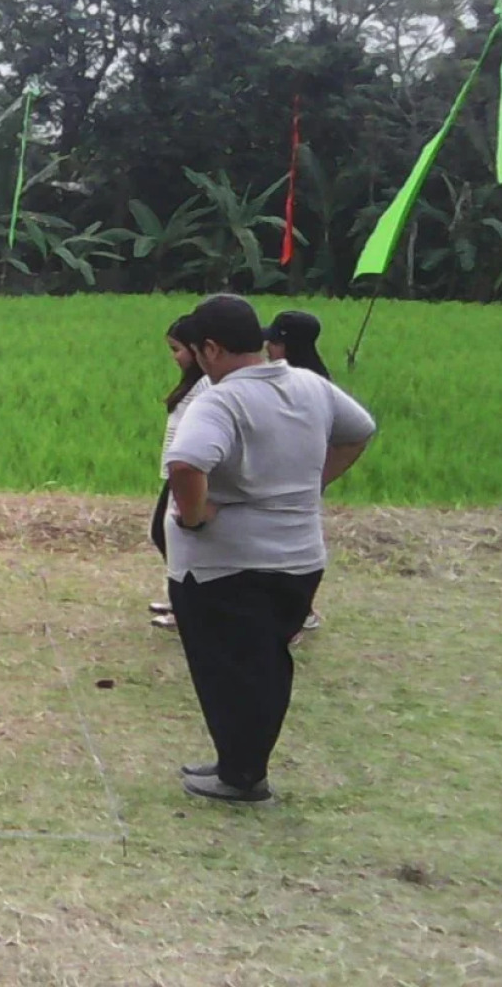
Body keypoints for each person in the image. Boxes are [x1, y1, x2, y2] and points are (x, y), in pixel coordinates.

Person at [164, 295, 375, 803]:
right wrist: (314, 483)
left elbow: (186, 464)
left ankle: (242, 777)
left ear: (211, 348)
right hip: (299, 560)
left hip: (228, 568)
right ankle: (239, 762)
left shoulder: (220, 400)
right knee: (264, 666)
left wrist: (194, 517)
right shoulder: (308, 384)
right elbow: (359, 431)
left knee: (231, 673)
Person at [264, 309, 333, 639]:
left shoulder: (300, 382)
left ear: (287, 345)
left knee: (285, 545)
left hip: (290, 475)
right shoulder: (320, 378)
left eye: (274, 342)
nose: (267, 347)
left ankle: (299, 611)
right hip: (300, 473)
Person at [148, 316, 209, 630]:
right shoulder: (193, 383)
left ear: (197, 349)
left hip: (187, 469)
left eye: (177, 349)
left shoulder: (206, 386)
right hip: (175, 469)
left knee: (174, 537)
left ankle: (188, 606)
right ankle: (180, 600)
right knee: (164, 534)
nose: (174, 357)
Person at [264, 310, 331, 379]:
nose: (267, 346)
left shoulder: (301, 381)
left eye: (274, 342)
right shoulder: (318, 376)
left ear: (291, 349)